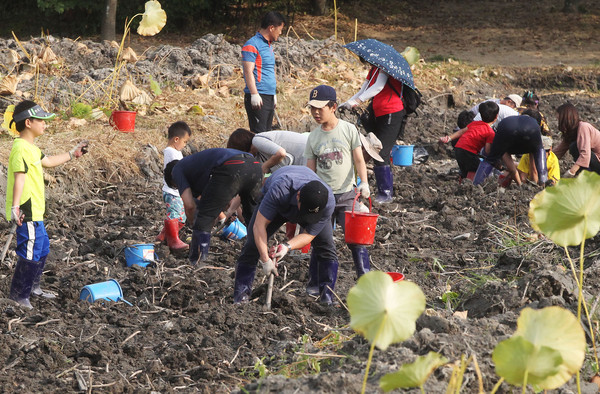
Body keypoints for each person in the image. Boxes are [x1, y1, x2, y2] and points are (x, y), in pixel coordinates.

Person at [6, 100, 88, 309]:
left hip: (37, 209)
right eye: (41, 120)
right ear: (28, 123)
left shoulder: (31, 148)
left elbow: (48, 161)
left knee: (42, 247)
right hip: (26, 209)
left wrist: (72, 154)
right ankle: (19, 294)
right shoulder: (21, 149)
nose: (45, 124)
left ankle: (34, 287)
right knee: (31, 249)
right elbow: (19, 178)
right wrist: (15, 208)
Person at [232, 166, 337, 305]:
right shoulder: (281, 189)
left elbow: (309, 235)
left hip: (306, 202)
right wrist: (265, 260)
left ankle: (327, 298)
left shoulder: (327, 202)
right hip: (279, 204)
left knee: (326, 247)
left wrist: (287, 247)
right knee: (252, 245)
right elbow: (259, 225)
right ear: (298, 196)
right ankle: (241, 296)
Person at [304, 85, 372, 291]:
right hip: (323, 199)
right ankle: (316, 282)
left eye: (320, 108)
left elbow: (359, 160)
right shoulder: (313, 137)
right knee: (321, 241)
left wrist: (364, 183)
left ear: (333, 107)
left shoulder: (348, 129)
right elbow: (310, 171)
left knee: (356, 240)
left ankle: (365, 281)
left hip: (347, 195)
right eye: (312, 108)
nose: (315, 112)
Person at [164, 148, 262, 264]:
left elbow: (190, 206)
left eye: (176, 186)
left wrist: (193, 224)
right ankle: (261, 256)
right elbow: (215, 204)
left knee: (204, 217)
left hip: (232, 165)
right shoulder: (198, 169)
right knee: (253, 217)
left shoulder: (177, 170)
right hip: (255, 165)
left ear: (172, 178)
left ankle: (197, 261)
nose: (178, 188)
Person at [340, 59, 405, 203]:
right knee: (371, 147)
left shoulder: (385, 67)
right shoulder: (373, 69)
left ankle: (386, 193)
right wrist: (348, 102)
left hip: (392, 112)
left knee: (380, 151)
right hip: (378, 112)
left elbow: (378, 86)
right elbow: (364, 89)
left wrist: (359, 101)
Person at [473, 109, 548, 186]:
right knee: (539, 150)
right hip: (531, 131)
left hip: (506, 129)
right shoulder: (533, 123)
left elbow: (511, 169)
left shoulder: (510, 119)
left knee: (490, 160)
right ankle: (544, 182)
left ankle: (476, 184)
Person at [242, 11, 286, 133]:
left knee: (267, 135)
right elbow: (248, 72)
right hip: (259, 96)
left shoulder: (268, 46)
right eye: (280, 29)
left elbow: (268, 70)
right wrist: (254, 94)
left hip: (268, 96)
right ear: (271, 28)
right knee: (259, 136)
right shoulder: (252, 44)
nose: (280, 33)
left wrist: (273, 94)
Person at [156, 121, 191, 251]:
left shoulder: (174, 151)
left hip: (177, 191)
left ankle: (164, 235)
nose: (185, 145)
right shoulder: (171, 152)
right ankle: (173, 240)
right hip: (172, 191)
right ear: (176, 139)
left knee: (182, 217)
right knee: (174, 214)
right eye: (185, 141)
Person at [444, 101, 499, 179]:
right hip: (469, 152)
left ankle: (462, 182)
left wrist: (449, 138)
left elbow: (461, 131)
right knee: (479, 169)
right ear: (496, 116)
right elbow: (487, 151)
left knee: (465, 169)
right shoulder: (490, 132)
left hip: (458, 149)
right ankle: (471, 185)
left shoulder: (474, 123)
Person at [227, 128, 308, 175]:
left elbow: (281, 153)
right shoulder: (259, 155)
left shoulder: (257, 140)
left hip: (307, 153)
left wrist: (265, 167)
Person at [553, 103, 600, 176]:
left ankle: (588, 177)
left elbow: (585, 154)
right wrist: (546, 159)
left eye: (559, 119)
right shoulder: (572, 132)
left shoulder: (583, 127)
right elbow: (559, 151)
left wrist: (571, 172)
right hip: (594, 161)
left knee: (574, 146)